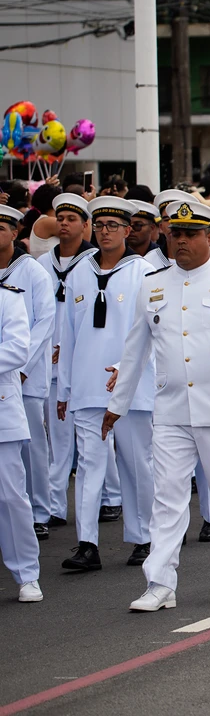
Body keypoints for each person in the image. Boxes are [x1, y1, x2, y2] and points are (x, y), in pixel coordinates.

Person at [104, 200, 210, 611]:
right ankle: (160, 582)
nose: (181, 241)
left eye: (191, 234)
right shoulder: (153, 283)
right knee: (166, 497)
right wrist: (118, 404)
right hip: (171, 408)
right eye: (175, 234)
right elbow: (135, 350)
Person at [57, 197, 156, 570]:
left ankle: (144, 536)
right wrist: (65, 388)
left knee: (136, 464)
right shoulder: (80, 271)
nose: (105, 232)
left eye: (113, 226)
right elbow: (67, 335)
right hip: (86, 384)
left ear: (128, 231)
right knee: (89, 467)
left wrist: (124, 368)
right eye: (99, 225)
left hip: (131, 385)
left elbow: (151, 332)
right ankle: (87, 544)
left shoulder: (144, 272)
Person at [38, 194, 97, 529]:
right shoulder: (43, 264)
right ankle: (54, 504)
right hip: (49, 360)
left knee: (99, 439)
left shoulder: (94, 263)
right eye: (60, 217)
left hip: (85, 360)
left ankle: (111, 495)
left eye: (72, 218)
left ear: (84, 226)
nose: (63, 223)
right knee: (58, 440)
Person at [0, 206, 56, 542]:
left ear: (14, 231)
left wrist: (21, 369)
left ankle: (39, 510)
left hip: (27, 374)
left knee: (33, 445)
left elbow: (44, 322)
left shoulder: (32, 271)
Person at [0, 278, 40, 602]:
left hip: (2, 413)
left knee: (11, 498)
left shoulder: (8, 298)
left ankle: (27, 574)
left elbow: (16, 350)